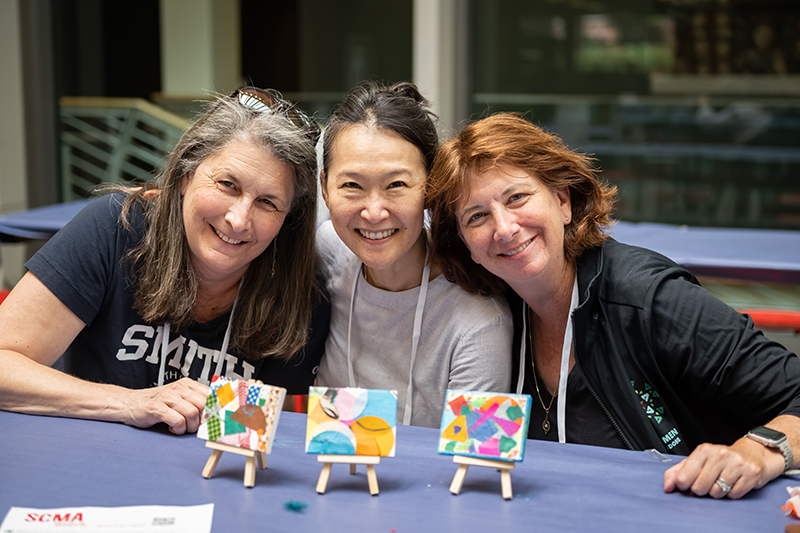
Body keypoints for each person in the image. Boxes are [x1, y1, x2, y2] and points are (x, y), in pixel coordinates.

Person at [426, 112, 800, 499]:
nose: (503, 228)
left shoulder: (647, 297)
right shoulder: (491, 316)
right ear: (466, 246)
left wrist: (760, 451)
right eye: (477, 216)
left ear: (562, 201)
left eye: (517, 197)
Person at [0, 87, 329, 435]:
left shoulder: (301, 295)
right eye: (228, 184)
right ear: (186, 175)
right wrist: (130, 403)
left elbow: (259, 439)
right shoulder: (115, 230)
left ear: (288, 218)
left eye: (268, 202)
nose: (239, 219)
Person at [315, 81, 512, 428]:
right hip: (331, 473)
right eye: (351, 185)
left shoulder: (481, 323)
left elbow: (476, 461)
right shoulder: (328, 249)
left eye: (396, 185)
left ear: (430, 188)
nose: (373, 212)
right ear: (324, 188)